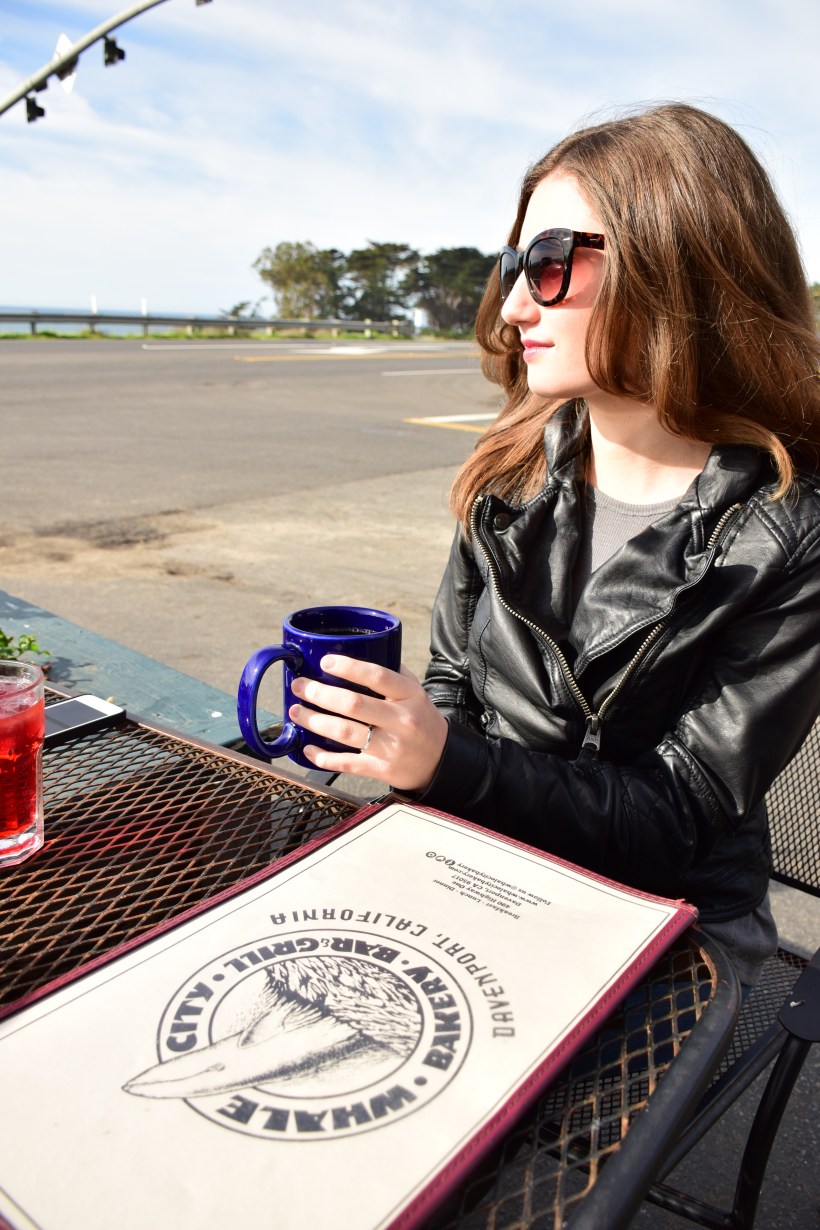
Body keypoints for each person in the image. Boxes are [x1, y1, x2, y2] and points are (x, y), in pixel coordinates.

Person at [288, 103, 820, 988]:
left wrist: (449, 764)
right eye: (512, 267)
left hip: (672, 928)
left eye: (548, 264)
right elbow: (457, 680)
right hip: (485, 861)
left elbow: (677, 817)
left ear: (673, 265)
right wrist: (419, 763)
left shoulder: (785, 534)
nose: (513, 305)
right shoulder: (509, 468)